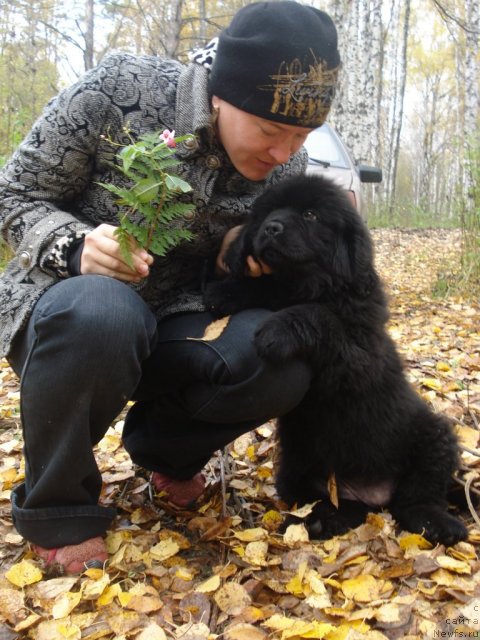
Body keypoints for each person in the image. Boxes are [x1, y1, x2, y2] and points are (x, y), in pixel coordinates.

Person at [0, 1, 340, 574]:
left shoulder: (286, 168)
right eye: (271, 129)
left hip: (182, 323)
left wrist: (253, 262)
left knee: (282, 355)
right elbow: (12, 194)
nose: (285, 153)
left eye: (303, 135)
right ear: (221, 93)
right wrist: (76, 247)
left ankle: (165, 451)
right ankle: (58, 506)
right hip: (71, 315)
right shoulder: (120, 90)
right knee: (105, 312)